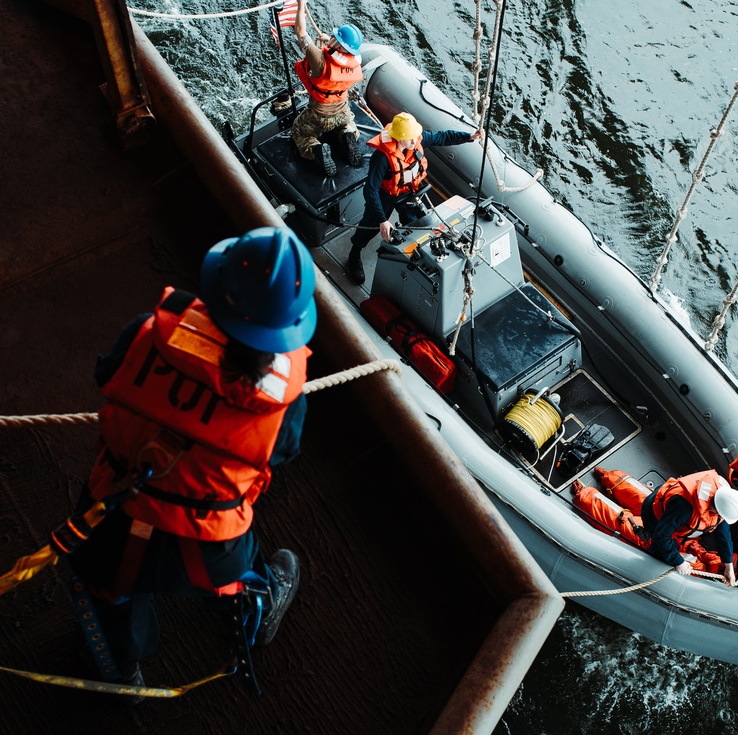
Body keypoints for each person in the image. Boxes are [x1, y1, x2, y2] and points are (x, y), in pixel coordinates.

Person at [67, 227, 316, 698]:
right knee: (242, 573)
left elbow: (107, 371)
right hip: (206, 548)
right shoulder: (282, 402)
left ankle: (118, 673)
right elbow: (283, 452)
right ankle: (257, 613)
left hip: (113, 514)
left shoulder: (148, 331)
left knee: (107, 590)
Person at [346, 111, 484, 284]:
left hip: (408, 192)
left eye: (415, 137)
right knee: (371, 225)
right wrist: (382, 220)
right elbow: (370, 190)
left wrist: (469, 137)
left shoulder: (415, 139)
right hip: (385, 195)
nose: (415, 141)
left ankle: (413, 257)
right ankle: (354, 253)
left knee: (415, 223)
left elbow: (442, 137)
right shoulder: (382, 158)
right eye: (410, 139)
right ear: (398, 138)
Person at [290, 0, 364, 177]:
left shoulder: (318, 60)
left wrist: (301, 5)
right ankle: (348, 135)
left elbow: (300, 31)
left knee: (300, 132)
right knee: (347, 123)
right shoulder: (355, 60)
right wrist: (330, 44)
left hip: (319, 115)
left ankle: (315, 149)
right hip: (342, 110)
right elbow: (342, 55)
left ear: (338, 45)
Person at [637, 469, 738, 586]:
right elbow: (661, 535)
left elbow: (723, 534)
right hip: (655, 516)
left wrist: (728, 565)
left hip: (675, 516)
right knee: (661, 551)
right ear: (717, 510)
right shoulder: (684, 507)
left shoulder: (720, 503)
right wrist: (678, 561)